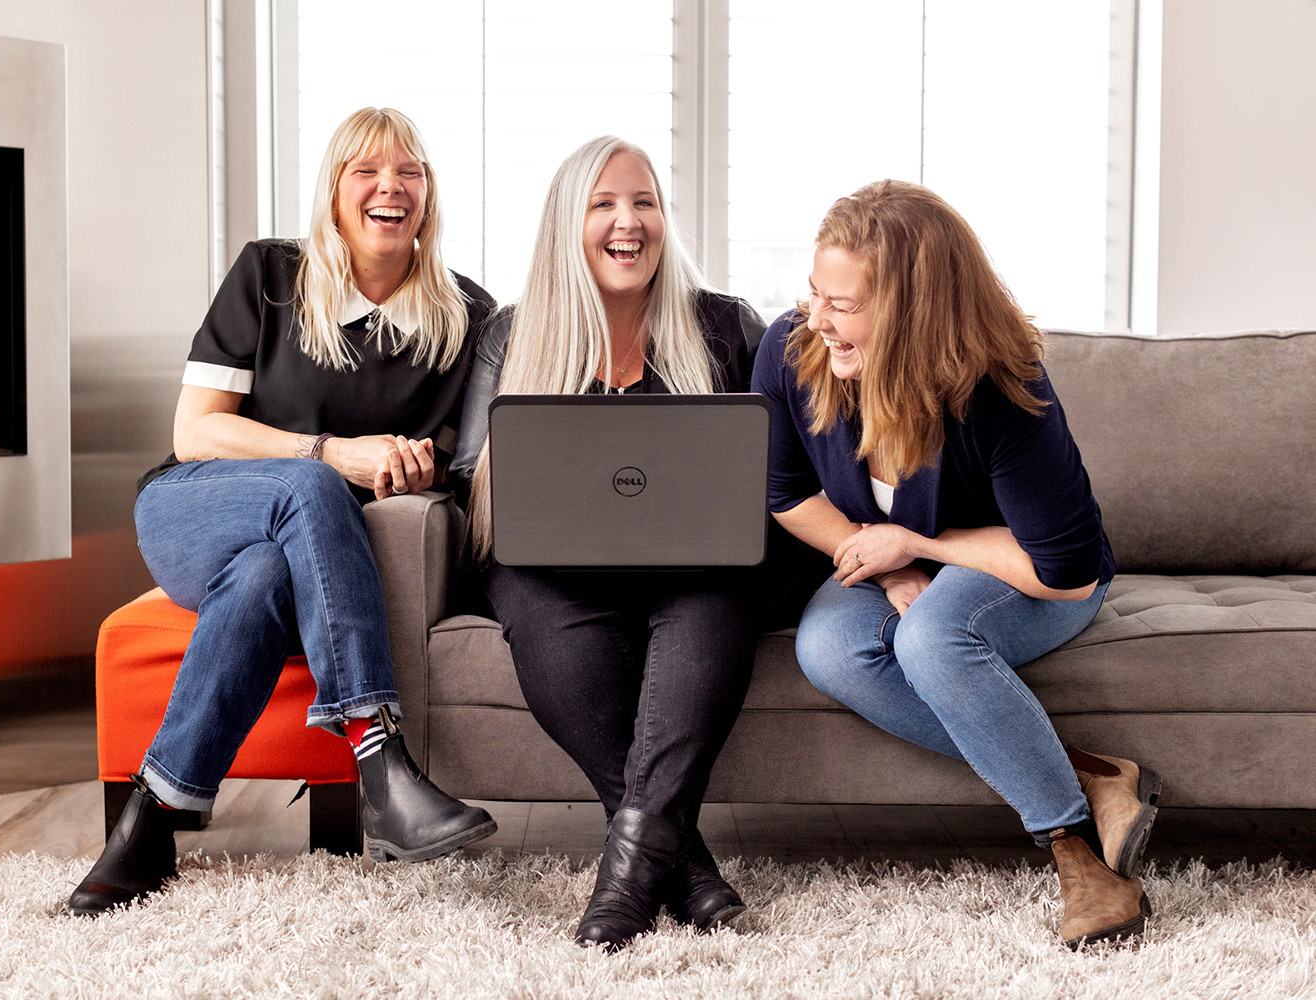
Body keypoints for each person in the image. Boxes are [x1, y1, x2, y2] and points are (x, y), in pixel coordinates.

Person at [67, 108, 498, 916]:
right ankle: (379, 757)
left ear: (429, 196)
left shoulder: (466, 317)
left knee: (267, 573)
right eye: (365, 170)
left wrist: (417, 465)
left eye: (410, 171)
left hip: (291, 555)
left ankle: (151, 818)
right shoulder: (269, 274)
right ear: (334, 193)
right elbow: (194, 432)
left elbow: (460, 462)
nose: (389, 187)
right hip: (193, 509)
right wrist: (334, 453)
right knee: (308, 482)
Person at [753, 179, 1162, 949]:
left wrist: (917, 548)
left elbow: (1063, 567)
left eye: (843, 304)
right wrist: (890, 569)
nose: (818, 319)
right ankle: (1092, 776)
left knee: (933, 638)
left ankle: (1077, 855)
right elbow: (787, 494)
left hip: (1024, 572)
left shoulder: (1001, 386)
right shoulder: (792, 350)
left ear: (910, 309)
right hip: (895, 561)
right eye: (815, 294)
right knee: (827, 650)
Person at [451, 136, 788, 951]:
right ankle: (687, 866)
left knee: (716, 604)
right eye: (603, 204)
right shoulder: (512, 333)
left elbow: (768, 462)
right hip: (552, 570)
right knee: (539, 613)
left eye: (644, 203)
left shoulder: (723, 325)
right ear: (569, 223)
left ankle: (628, 884)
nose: (627, 222)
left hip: (698, 567)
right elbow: (471, 471)